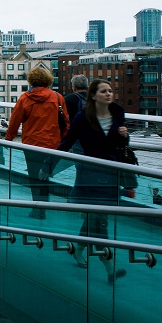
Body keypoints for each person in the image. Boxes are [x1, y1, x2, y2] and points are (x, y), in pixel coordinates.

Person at [57, 79, 131, 283]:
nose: (109, 94)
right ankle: (110, 268)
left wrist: (125, 136)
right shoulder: (83, 117)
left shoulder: (118, 114)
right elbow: (67, 142)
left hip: (109, 176)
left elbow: (120, 148)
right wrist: (48, 163)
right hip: (89, 176)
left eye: (110, 90)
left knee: (94, 220)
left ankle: (78, 248)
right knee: (100, 222)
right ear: (93, 95)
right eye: (104, 91)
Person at [4, 66, 69, 218]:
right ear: (48, 79)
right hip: (53, 144)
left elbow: (14, 121)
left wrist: (8, 139)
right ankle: (44, 206)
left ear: (31, 80)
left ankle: (38, 209)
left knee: (34, 177)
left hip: (32, 144)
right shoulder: (57, 97)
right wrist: (65, 141)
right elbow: (65, 121)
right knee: (45, 174)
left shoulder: (25, 98)